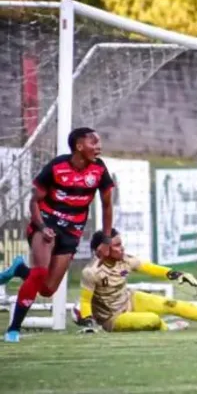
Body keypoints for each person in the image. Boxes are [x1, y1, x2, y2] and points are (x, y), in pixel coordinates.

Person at [0, 127, 115, 343]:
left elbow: (107, 205)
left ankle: (18, 268)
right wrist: (42, 227)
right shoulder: (57, 166)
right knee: (39, 273)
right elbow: (34, 201)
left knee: (47, 289)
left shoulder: (99, 170)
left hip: (72, 231)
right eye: (94, 142)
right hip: (47, 224)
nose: (98, 146)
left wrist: (107, 240)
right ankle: (13, 329)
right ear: (79, 146)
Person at [74, 229, 197, 333]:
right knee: (152, 320)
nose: (122, 248)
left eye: (121, 244)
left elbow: (149, 268)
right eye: (116, 245)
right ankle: (168, 328)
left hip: (129, 299)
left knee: (171, 304)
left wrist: (176, 273)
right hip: (113, 318)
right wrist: (89, 325)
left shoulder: (125, 260)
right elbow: (85, 301)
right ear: (102, 250)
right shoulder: (91, 271)